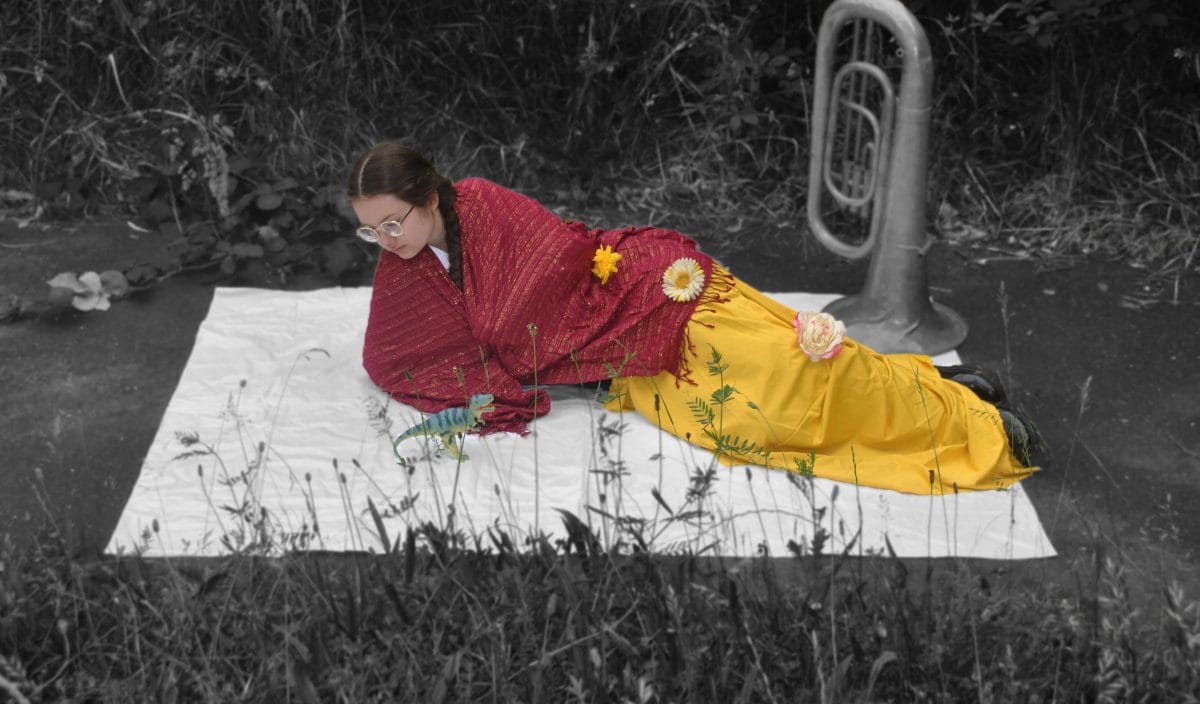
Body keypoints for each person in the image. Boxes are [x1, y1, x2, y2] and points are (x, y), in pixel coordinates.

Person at [349, 141, 1039, 495]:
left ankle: (965, 422)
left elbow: (557, 263)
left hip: (645, 297)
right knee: (755, 417)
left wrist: (504, 342)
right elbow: (390, 355)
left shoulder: (484, 205)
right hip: (620, 364)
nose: (387, 241)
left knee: (787, 362)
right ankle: (950, 391)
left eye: (394, 222)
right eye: (370, 231)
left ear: (428, 195)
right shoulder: (404, 266)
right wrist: (489, 381)